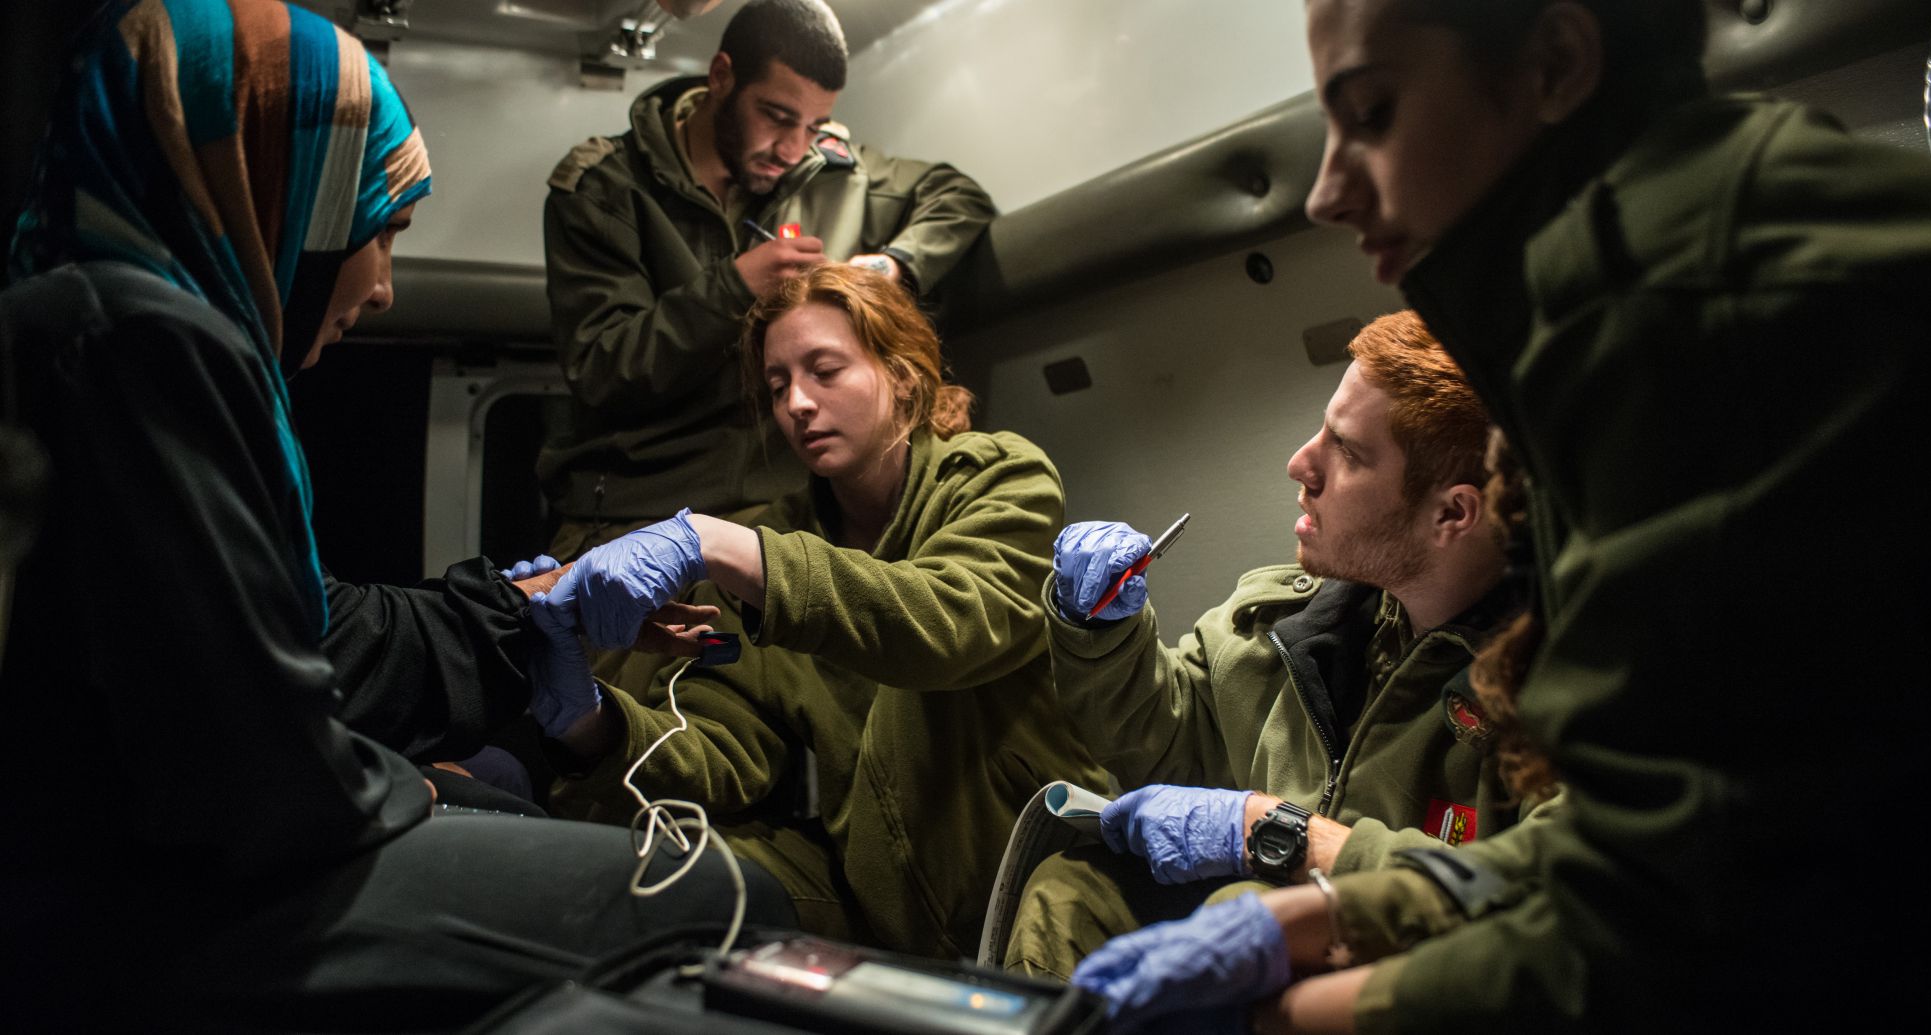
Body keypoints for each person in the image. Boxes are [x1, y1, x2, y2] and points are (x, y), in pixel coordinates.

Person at [1071, 0, 1931, 1029]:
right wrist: (1300, 927)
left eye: (1371, 110)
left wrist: (1292, 1011)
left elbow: (1683, 934)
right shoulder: (1678, 265)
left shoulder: (1693, 319)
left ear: (1555, 59)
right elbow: (1634, 846)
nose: (1323, 192)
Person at [0, 3, 794, 1028]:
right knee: (733, 899)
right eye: (383, 231)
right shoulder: (141, 340)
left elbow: (308, 630)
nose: (380, 288)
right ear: (296, 195)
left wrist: (532, 603)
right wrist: (412, 782)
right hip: (116, 903)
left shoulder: (99, 313)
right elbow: (249, 774)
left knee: (503, 793)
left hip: (136, 860)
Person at [541, 262, 1107, 959]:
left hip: (1036, 877)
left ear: (902, 374)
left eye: (825, 371)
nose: (798, 404)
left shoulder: (998, 476)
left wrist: (725, 545)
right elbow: (725, 749)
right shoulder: (774, 544)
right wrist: (589, 721)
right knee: (661, 882)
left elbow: (948, 625)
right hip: (874, 895)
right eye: (778, 386)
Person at [1002, 311, 1529, 980]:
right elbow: (1161, 736)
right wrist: (1099, 630)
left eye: (1348, 451)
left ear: (1451, 513)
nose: (1301, 463)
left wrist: (1281, 833)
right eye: (1322, 429)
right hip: (1283, 942)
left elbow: (1543, 902)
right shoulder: (1296, 618)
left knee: (1244, 905)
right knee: (1072, 889)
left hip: (1427, 981)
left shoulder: (1554, 689)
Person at [538, 0, 997, 558]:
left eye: (814, 125)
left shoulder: (835, 174)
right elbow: (603, 370)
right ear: (721, 77)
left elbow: (960, 197)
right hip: (639, 509)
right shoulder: (605, 189)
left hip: (792, 510)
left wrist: (892, 265)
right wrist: (733, 289)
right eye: (777, 117)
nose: (794, 148)